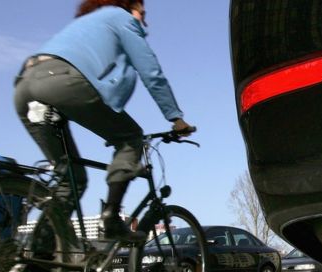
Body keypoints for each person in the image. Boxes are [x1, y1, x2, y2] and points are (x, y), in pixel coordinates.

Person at [14, 0, 193, 242]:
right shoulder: (121, 18)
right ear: (128, 7)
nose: (144, 18)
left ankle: (39, 259)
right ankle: (111, 219)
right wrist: (176, 118)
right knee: (130, 137)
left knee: (71, 180)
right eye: (142, 11)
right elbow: (151, 72)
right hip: (59, 83)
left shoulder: (84, 24)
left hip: (24, 86)